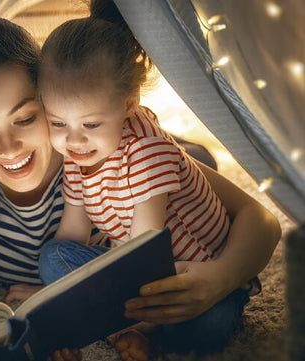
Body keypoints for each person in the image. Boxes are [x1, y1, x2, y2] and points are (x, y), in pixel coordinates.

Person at [0, 14, 280, 361]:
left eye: (25, 118)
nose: (9, 148)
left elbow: (262, 219)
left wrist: (220, 279)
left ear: (51, 94)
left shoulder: (115, 150)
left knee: (208, 319)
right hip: (116, 280)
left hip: (177, 238)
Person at [34, 1, 280, 360]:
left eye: (90, 125)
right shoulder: (77, 154)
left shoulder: (147, 151)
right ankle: (133, 323)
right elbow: (72, 233)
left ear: (128, 104)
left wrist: (107, 311)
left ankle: (131, 326)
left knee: (206, 327)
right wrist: (48, 299)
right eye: (58, 123)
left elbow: (143, 253)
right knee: (52, 257)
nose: (73, 140)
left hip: (196, 270)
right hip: (141, 270)